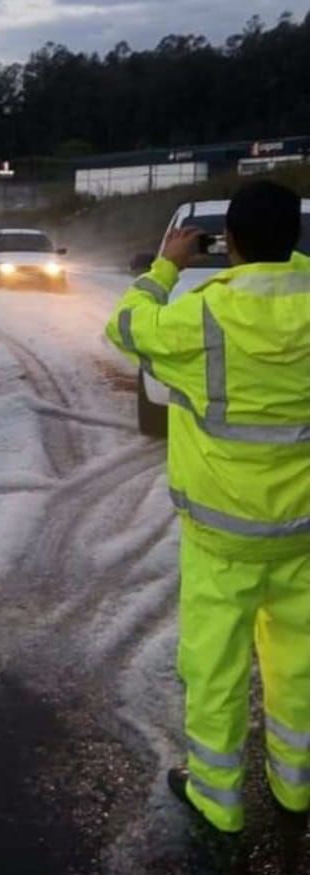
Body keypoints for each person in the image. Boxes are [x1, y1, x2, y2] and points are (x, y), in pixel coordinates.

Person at [105, 180, 309, 834]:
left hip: (221, 542)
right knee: (298, 665)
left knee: (215, 668)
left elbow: (123, 325)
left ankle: (218, 803)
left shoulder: (202, 317)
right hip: (303, 535)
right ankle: (294, 788)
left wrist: (168, 263)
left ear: (229, 244)